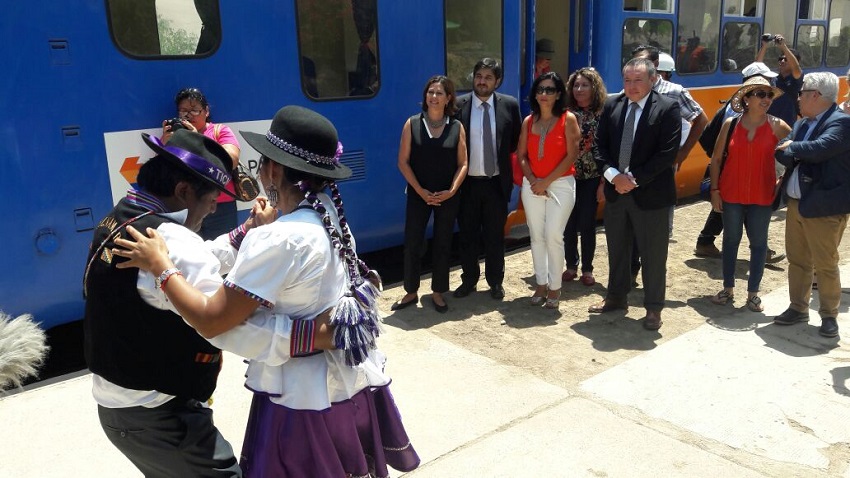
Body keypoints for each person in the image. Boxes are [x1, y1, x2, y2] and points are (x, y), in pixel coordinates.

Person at [113, 106, 421, 476]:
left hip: (301, 397)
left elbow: (213, 321)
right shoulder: (328, 215)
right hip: (346, 385)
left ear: (273, 170)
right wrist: (252, 232)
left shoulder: (279, 238)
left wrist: (162, 267)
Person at [84, 129, 273, 477]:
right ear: (184, 191)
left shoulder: (124, 215)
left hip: (121, 408)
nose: (215, 206)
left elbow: (196, 258)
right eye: (212, 198)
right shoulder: (172, 241)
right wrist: (314, 336)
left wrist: (245, 231)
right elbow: (221, 320)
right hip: (162, 416)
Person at [588, 57, 681, 331]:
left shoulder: (667, 108)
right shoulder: (612, 105)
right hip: (617, 193)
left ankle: (653, 308)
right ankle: (616, 298)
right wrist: (612, 176)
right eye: (627, 80)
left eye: (638, 80)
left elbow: (667, 154)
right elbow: (598, 147)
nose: (631, 86)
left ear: (653, 80)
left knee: (653, 256)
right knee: (618, 250)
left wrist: (633, 179)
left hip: (651, 196)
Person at [773, 72, 850, 338]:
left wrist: (794, 146)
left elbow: (821, 148)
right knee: (798, 260)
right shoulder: (802, 124)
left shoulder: (841, 123)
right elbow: (782, 151)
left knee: (825, 264)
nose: (798, 98)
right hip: (797, 203)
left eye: (802, 93)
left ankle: (829, 316)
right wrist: (794, 147)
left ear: (815, 95)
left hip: (824, 207)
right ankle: (798, 307)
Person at [707, 77, 791, 312]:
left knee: (759, 245)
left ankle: (753, 293)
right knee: (730, 241)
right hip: (731, 192)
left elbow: (795, 152)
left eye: (769, 95)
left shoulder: (778, 125)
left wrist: (783, 178)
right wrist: (715, 190)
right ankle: (728, 288)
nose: (766, 99)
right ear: (747, 99)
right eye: (761, 94)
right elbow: (715, 159)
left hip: (763, 195)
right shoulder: (731, 124)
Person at [694, 62, 786, 265]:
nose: (767, 90)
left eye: (768, 91)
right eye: (762, 90)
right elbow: (725, 143)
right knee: (739, 207)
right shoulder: (736, 114)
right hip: (732, 167)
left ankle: (706, 240)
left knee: (729, 208)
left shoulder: (736, 106)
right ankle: (761, 249)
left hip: (732, 169)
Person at [395, 76, 468, 312]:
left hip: (447, 196)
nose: (433, 97)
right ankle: (411, 291)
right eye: (430, 92)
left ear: (448, 98)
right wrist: (420, 191)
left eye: (439, 93)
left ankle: (438, 292)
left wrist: (452, 191)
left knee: (443, 243)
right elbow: (403, 162)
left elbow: (463, 163)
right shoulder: (412, 124)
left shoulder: (456, 127)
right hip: (419, 194)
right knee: (413, 242)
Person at [453, 58, 522, 301]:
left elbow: (514, 141)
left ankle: (495, 282)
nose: (482, 81)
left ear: (498, 81)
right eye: (479, 76)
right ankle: (469, 280)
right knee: (467, 236)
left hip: (496, 183)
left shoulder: (510, 105)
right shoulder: (459, 105)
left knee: (494, 237)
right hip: (467, 184)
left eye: (488, 77)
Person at [517, 72, 581, 309]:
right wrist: (534, 180)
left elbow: (571, 155)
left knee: (553, 234)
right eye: (540, 90)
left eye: (549, 90)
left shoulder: (569, 119)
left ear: (558, 94)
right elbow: (522, 156)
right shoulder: (528, 121)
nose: (544, 94)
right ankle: (541, 283)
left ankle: (555, 287)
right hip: (532, 184)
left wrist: (546, 182)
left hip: (561, 184)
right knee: (537, 236)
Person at [163, 87, 242, 241]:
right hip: (187, 206)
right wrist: (166, 146)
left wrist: (195, 140)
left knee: (224, 255)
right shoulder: (175, 135)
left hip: (221, 207)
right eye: (183, 111)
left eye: (194, 110)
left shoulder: (220, 131)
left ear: (206, 111)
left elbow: (230, 161)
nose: (188, 115)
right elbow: (166, 172)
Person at [561, 67, 607, 287]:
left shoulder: (604, 114)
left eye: (585, 85)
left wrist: (603, 183)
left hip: (592, 177)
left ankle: (587, 269)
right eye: (576, 85)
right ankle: (571, 265)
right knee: (568, 223)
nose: (579, 89)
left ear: (594, 87)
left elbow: (609, 149)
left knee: (587, 223)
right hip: (567, 176)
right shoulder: (565, 113)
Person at [756, 34, 803, 126]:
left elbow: (796, 68)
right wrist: (764, 45)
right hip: (768, 124)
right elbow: (757, 67)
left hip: (786, 126)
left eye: (786, 59)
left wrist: (783, 47)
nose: (782, 61)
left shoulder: (796, 79)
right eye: (780, 59)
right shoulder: (773, 78)